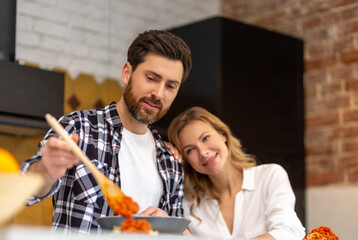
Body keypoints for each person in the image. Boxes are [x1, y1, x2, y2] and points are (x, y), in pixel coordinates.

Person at [20, 30, 192, 234]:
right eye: (151, 78)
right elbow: (25, 192)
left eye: (171, 86)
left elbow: (176, 234)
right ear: (127, 73)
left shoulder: (170, 161)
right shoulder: (78, 128)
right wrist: (46, 171)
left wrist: (170, 227)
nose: (159, 94)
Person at [167, 107, 305, 240]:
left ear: (222, 135)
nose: (203, 152)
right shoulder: (188, 205)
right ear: (185, 159)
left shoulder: (270, 176)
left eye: (205, 138)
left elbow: (289, 231)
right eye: (190, 150)